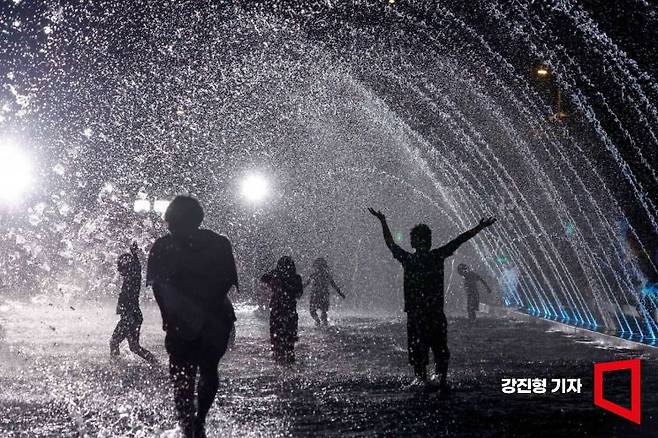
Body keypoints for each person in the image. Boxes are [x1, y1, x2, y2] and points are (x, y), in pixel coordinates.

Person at [368, 207, 496, 392]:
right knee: (440, 350)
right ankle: (441, 382)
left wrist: (383, 221)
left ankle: (422, 382)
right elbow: (458, 240)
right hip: (435, 314)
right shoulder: (437, 256)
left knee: (418, 352)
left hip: (416, 315)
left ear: (413, 242)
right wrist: (479, 227)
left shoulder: (409, 259)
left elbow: (390, 243)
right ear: (429, 241)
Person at [147, 196, 239, 438]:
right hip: (216, 318)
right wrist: (204, 309)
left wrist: (171, 316)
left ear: (173, 219)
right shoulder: (219, 243)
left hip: (185, 320)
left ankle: (191, 425)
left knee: (182, 375)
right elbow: (227, 281)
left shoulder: (162, 246)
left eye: (172, 221)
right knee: (207, 370)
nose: (169, 226)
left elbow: (157, 287)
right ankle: (198, 422)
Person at [110, 242, 157, 364]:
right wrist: (134, 255)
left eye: (120, 266)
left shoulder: (132, 278)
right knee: (134, 347)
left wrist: (134, 255)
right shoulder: (130, 278)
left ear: (126, 266)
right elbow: (137, 267)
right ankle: (155, 362)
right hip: (134, 316)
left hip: (130, 317)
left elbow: (137, 268)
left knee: (114, 341)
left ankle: (115, 365)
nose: (118, 270)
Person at [260, 256, 303, 364]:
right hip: (290, 313)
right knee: (289, 344)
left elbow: (263, 278)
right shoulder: (296, 278)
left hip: (277, 312)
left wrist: (276, 274)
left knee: (276, 341)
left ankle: (278, 366)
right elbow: (299, 294)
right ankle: (290, 369)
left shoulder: (275, 275)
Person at [303, 257, 345, 326]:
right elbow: (334, 285)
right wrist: (340, 293)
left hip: (315, 295)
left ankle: (318, 321)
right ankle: (324, 324)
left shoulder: (314, 275)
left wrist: (298, 290)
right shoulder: (326, 275)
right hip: (324, 295)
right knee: (323, 311)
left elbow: (306, 284)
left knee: (313, 311)